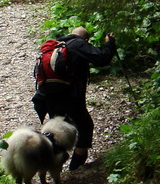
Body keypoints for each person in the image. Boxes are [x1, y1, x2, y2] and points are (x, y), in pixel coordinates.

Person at [32, 26, 116, 170]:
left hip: (49, 97)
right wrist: (110, 43)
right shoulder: (79, 44)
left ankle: (48, 168)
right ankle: (75, 169)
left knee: (57, 132)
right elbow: (101, 58)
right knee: (85, 127)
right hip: (70, 97)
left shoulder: (56, 45)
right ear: (86, 39)